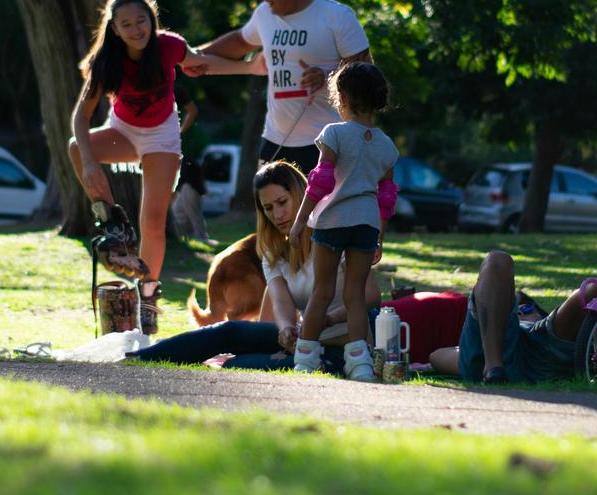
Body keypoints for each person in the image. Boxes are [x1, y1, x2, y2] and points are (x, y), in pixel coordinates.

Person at [128, 159, 466, 371]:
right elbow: (282, 302)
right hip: (308, 340)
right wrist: (288, 329)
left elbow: (370, 296)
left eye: (282, 202)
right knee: (231, 337)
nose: (278, 215)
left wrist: (320, 321)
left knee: (242, 364)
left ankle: (296, 360)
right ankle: (136, 362)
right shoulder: (271, 248)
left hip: (350, 342)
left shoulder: (335, 229)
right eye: (268, 208)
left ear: (301, 195)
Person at [68, 0, 253, 319]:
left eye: (142, 21)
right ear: (114, 29)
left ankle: (148, 298)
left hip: (161, 137)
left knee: (153, 220)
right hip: (123, 131)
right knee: (76, 148)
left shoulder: (169, 46)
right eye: (127, 24)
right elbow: (80, 117)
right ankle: (112, 224)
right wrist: (91, 164)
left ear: (152, 20)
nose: (137, 30)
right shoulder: (106, 62)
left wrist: (252, 69)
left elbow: (204, 62)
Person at [429, 175, 597, 384]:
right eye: (519, 304)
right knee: (497, 259)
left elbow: (437, 357)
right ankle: (494, 366)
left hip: (538, 347)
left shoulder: (532, 325)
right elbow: (436, 356)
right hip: (507, 352)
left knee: (582, 297)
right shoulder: (498, 323)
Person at [184, 0, 372, 173]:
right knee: (268, 209)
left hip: (327, 144)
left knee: (319, 211)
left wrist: (328, 76)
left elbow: (366, 74)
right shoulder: (264, 14)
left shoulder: (337, 16)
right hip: (275, 141)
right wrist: (194, 55)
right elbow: (241, 42)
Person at [288, 63, 398, 381]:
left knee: (322, 292)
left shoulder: (333, 134)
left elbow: (320, 181)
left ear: (343, 98)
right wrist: (380, 238)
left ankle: (306, 361)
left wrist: (299, 221)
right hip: (366, 225)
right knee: (354, 295)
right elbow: (387, 198)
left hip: (332, 221)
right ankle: (360, 364)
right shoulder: (387, 146)